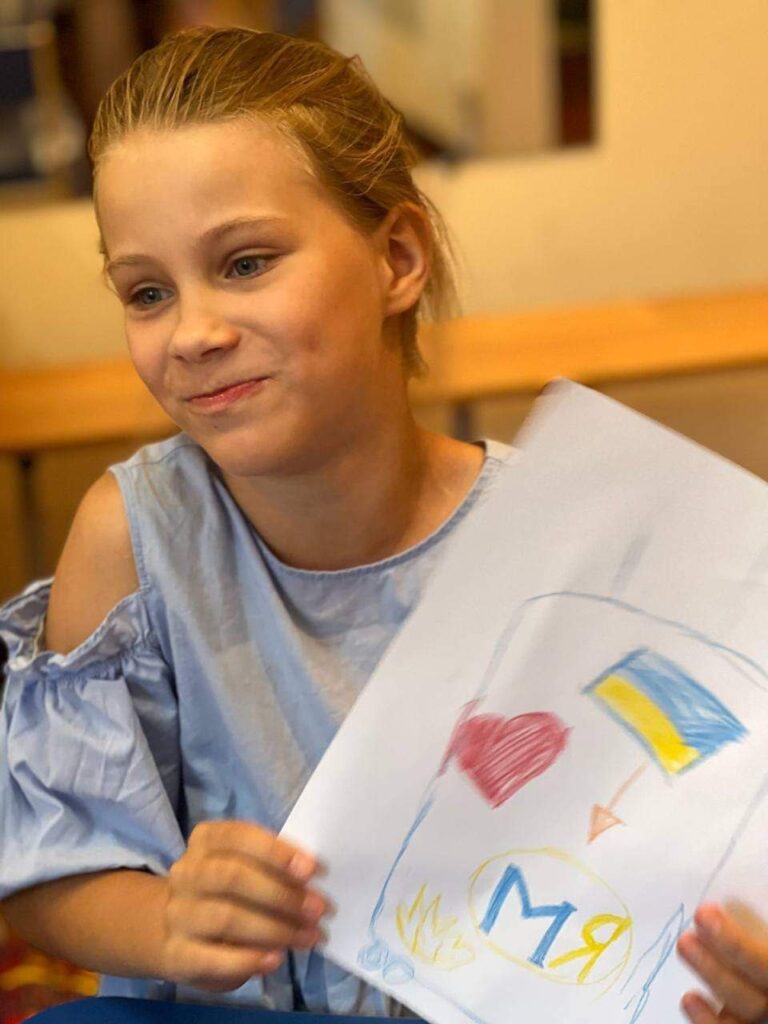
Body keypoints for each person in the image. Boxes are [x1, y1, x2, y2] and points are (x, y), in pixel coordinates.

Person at [0, 25, 764, 1024]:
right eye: (147, 291)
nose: (193, 331)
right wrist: (162, 921)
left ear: (398, 256)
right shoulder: (131, 538)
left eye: (245, 262)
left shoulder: (566, 547)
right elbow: (50, 862)